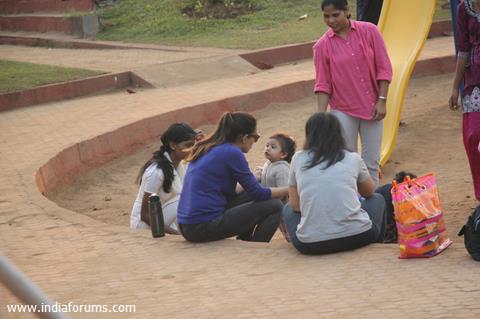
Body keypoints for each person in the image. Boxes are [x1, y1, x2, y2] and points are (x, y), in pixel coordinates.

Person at [283, 113, 387, 255]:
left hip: (310, 245)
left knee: (288, 208)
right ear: (339, 133)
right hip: (359, 236)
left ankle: (311, 231)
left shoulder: (298, 158)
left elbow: (295, 205)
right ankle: (376, 247)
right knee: (378, 199)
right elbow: (369, 192)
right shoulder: (352, 158)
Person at [314, 0, 392, 186]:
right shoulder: (321, 46)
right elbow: (323, 84)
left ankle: (372, 207)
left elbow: (384, 68)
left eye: (335, 15)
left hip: (373, 106)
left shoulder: (370, 31)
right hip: (343, 110)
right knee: (347, 162)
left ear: (347, 11)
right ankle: (352, 204)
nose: (331, 20)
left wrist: (382, 100)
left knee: (372, 162)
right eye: (326, 16)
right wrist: (321, 117)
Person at [177, 112, 288, 243]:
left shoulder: (209, 147)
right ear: (244, 137)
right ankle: (257, 247)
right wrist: (290, 189)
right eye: (255, 137)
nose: (254, 142)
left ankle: (245, 240)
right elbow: (259, 193)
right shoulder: (232, 152)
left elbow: (238, 191)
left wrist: (254, 179)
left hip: (187, 225)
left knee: (252, 193)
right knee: (275, 205)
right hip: (200, 227)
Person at [130, 123, 197, 233]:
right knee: (182, 199)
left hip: (165, 217)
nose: (191, 149)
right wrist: (176, 234)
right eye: (187, 145)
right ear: (173, 145)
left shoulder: (182, 165)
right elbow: (145, 215)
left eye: (193, 145)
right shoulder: (156, 172)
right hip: (144, 226)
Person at [449, 0, 480, 202]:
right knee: (473, 136)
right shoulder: (463, 8)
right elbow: (463, 50)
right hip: (475, 80)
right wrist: (455, 88)